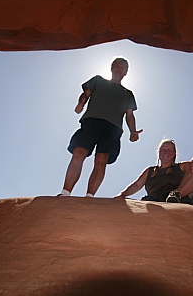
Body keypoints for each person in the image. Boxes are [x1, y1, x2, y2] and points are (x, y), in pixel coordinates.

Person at [59, 57, 143, 197]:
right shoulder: (98, 81)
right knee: (79, 152)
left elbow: (129, 115)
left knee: (101, 159)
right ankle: (65, 192)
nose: (118, 69)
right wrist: (81, 103)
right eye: (116, 66)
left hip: (113, 128)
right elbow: (86, 94)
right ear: (111, 68)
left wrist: (133, 131)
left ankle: (90, 196)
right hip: (92, 121)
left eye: (122, 68)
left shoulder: (128, 94)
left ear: (126, 73)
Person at [115, 139, 193, 205]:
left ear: (174, 154)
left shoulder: (180, 167)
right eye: (163, 149)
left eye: (169, 150)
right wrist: (123, 195)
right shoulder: (150, 171)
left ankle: (176, 194)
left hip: (180, 199)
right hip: (155, 200)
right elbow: (137, 185)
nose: (165, 152)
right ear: (158, 153)